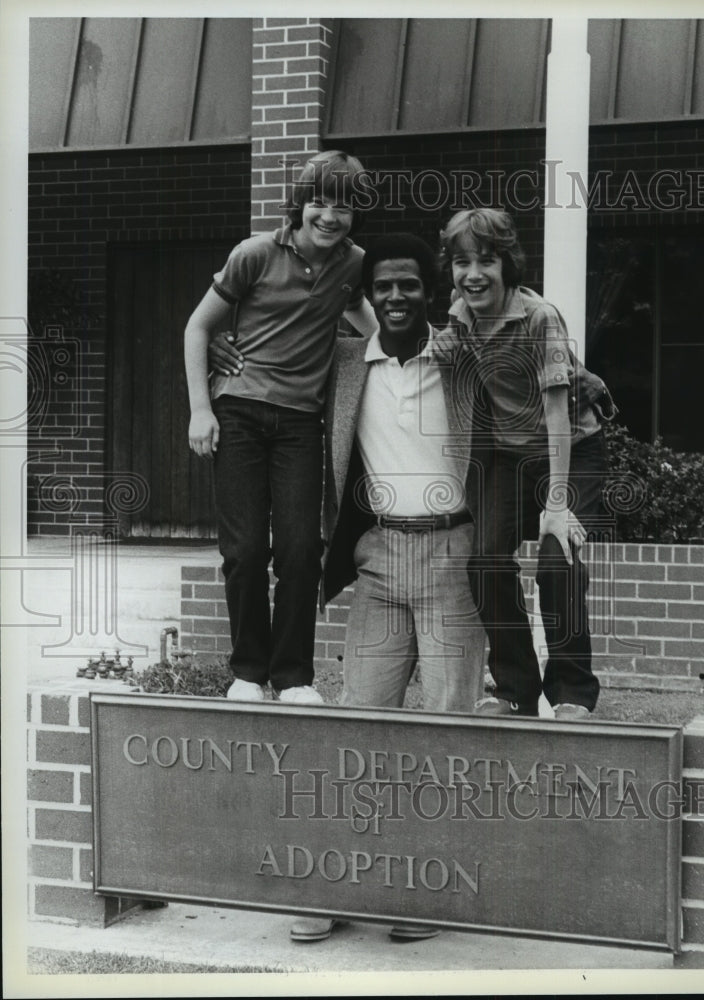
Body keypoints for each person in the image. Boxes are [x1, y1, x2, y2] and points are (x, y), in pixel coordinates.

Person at [210, 233, 486, 944]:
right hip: (381, 560)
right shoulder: (343, 362)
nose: (396, 297)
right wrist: (223, 356)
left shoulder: (460, 356)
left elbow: (518, 335)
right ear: (370, 296)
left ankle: (425, 894)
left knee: (446, 733)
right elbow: (273, 370)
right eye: (384, 287)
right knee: (355, 731)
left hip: (455, 554)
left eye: (410, 286)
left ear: (432, 292)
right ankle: (335, 886)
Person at [184, 150, 377, 706]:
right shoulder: (254, 254)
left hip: (300, 424)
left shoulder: (353, 263)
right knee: (244, 550)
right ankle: (247, 671)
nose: (329, 215)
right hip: (239, 414)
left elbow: (368, 320)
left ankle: (293, 677)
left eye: (343, 205)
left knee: (300, 550)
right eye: (319, 200)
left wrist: (407, 348)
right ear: (299, 203)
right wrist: (202, 408)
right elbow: (199, 328)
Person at [434, 208, 617, 721]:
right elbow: (446, 348)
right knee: (485, 560)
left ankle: (571, 694)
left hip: (572, 448)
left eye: (486, 261)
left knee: (558, 559)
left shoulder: (540, 317)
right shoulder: (462, 314)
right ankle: (514, 691)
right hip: (509, 454)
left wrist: (557, 507)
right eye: (461, 262)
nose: (473, 274)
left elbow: (559, 415)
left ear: (507, 263)